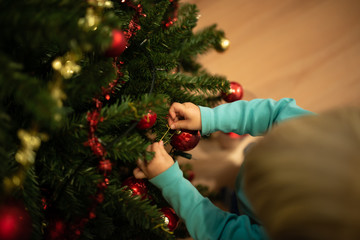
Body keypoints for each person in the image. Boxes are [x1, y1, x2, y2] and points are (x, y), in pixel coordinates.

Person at [134, 97, 356, 239]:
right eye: (272, 141)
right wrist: (208, 117)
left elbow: (219, 232)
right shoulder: (326, 135)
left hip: (252, 217)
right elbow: (271, 114)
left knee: (238, 217)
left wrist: (170, 181)